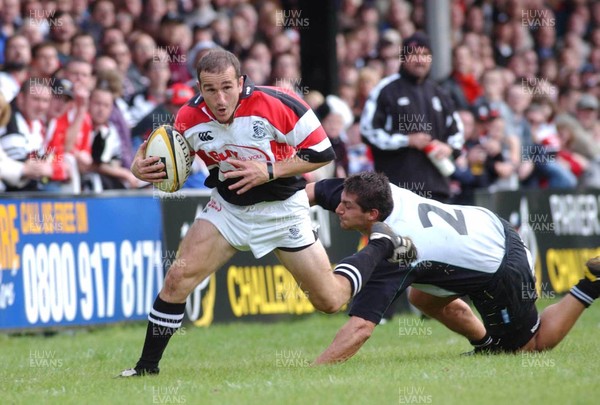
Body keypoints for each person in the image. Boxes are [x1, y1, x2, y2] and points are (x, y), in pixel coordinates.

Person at [119, 49, 414, 377]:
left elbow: (322, 152)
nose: (219, 98)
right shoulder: (189, 117)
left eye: (227, 87)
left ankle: (381, 245)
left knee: (330, 300)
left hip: (283, 211)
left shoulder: (277, 103)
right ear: (199, 87)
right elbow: (160, 152)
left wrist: (269, 170)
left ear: (241, 82)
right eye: (210, 89)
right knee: (176, 279)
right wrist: (138, 166)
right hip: (228, 210)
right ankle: (146, 369)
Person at [307, 171, 600, 364]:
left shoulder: (397, 249)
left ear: (372, 214)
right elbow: (317, 191)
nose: (338, 210)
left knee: (528, 349)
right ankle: (485, 344)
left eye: (346, 206)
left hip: (501, 264)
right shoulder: (379, 193)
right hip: (484, 223)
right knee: (422, 297)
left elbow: (360, 328)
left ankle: (590, 282)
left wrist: (316, 369)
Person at [360, 32, 464, 203]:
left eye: (425, 55)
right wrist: (406, 141)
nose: (420, 60)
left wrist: (449, 148)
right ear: (403, 57)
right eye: (414, 54)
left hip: (437, 190)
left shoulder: (440, 93)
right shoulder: (386, 89)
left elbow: (457, 132)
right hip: (397, 192)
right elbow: (368, 131)